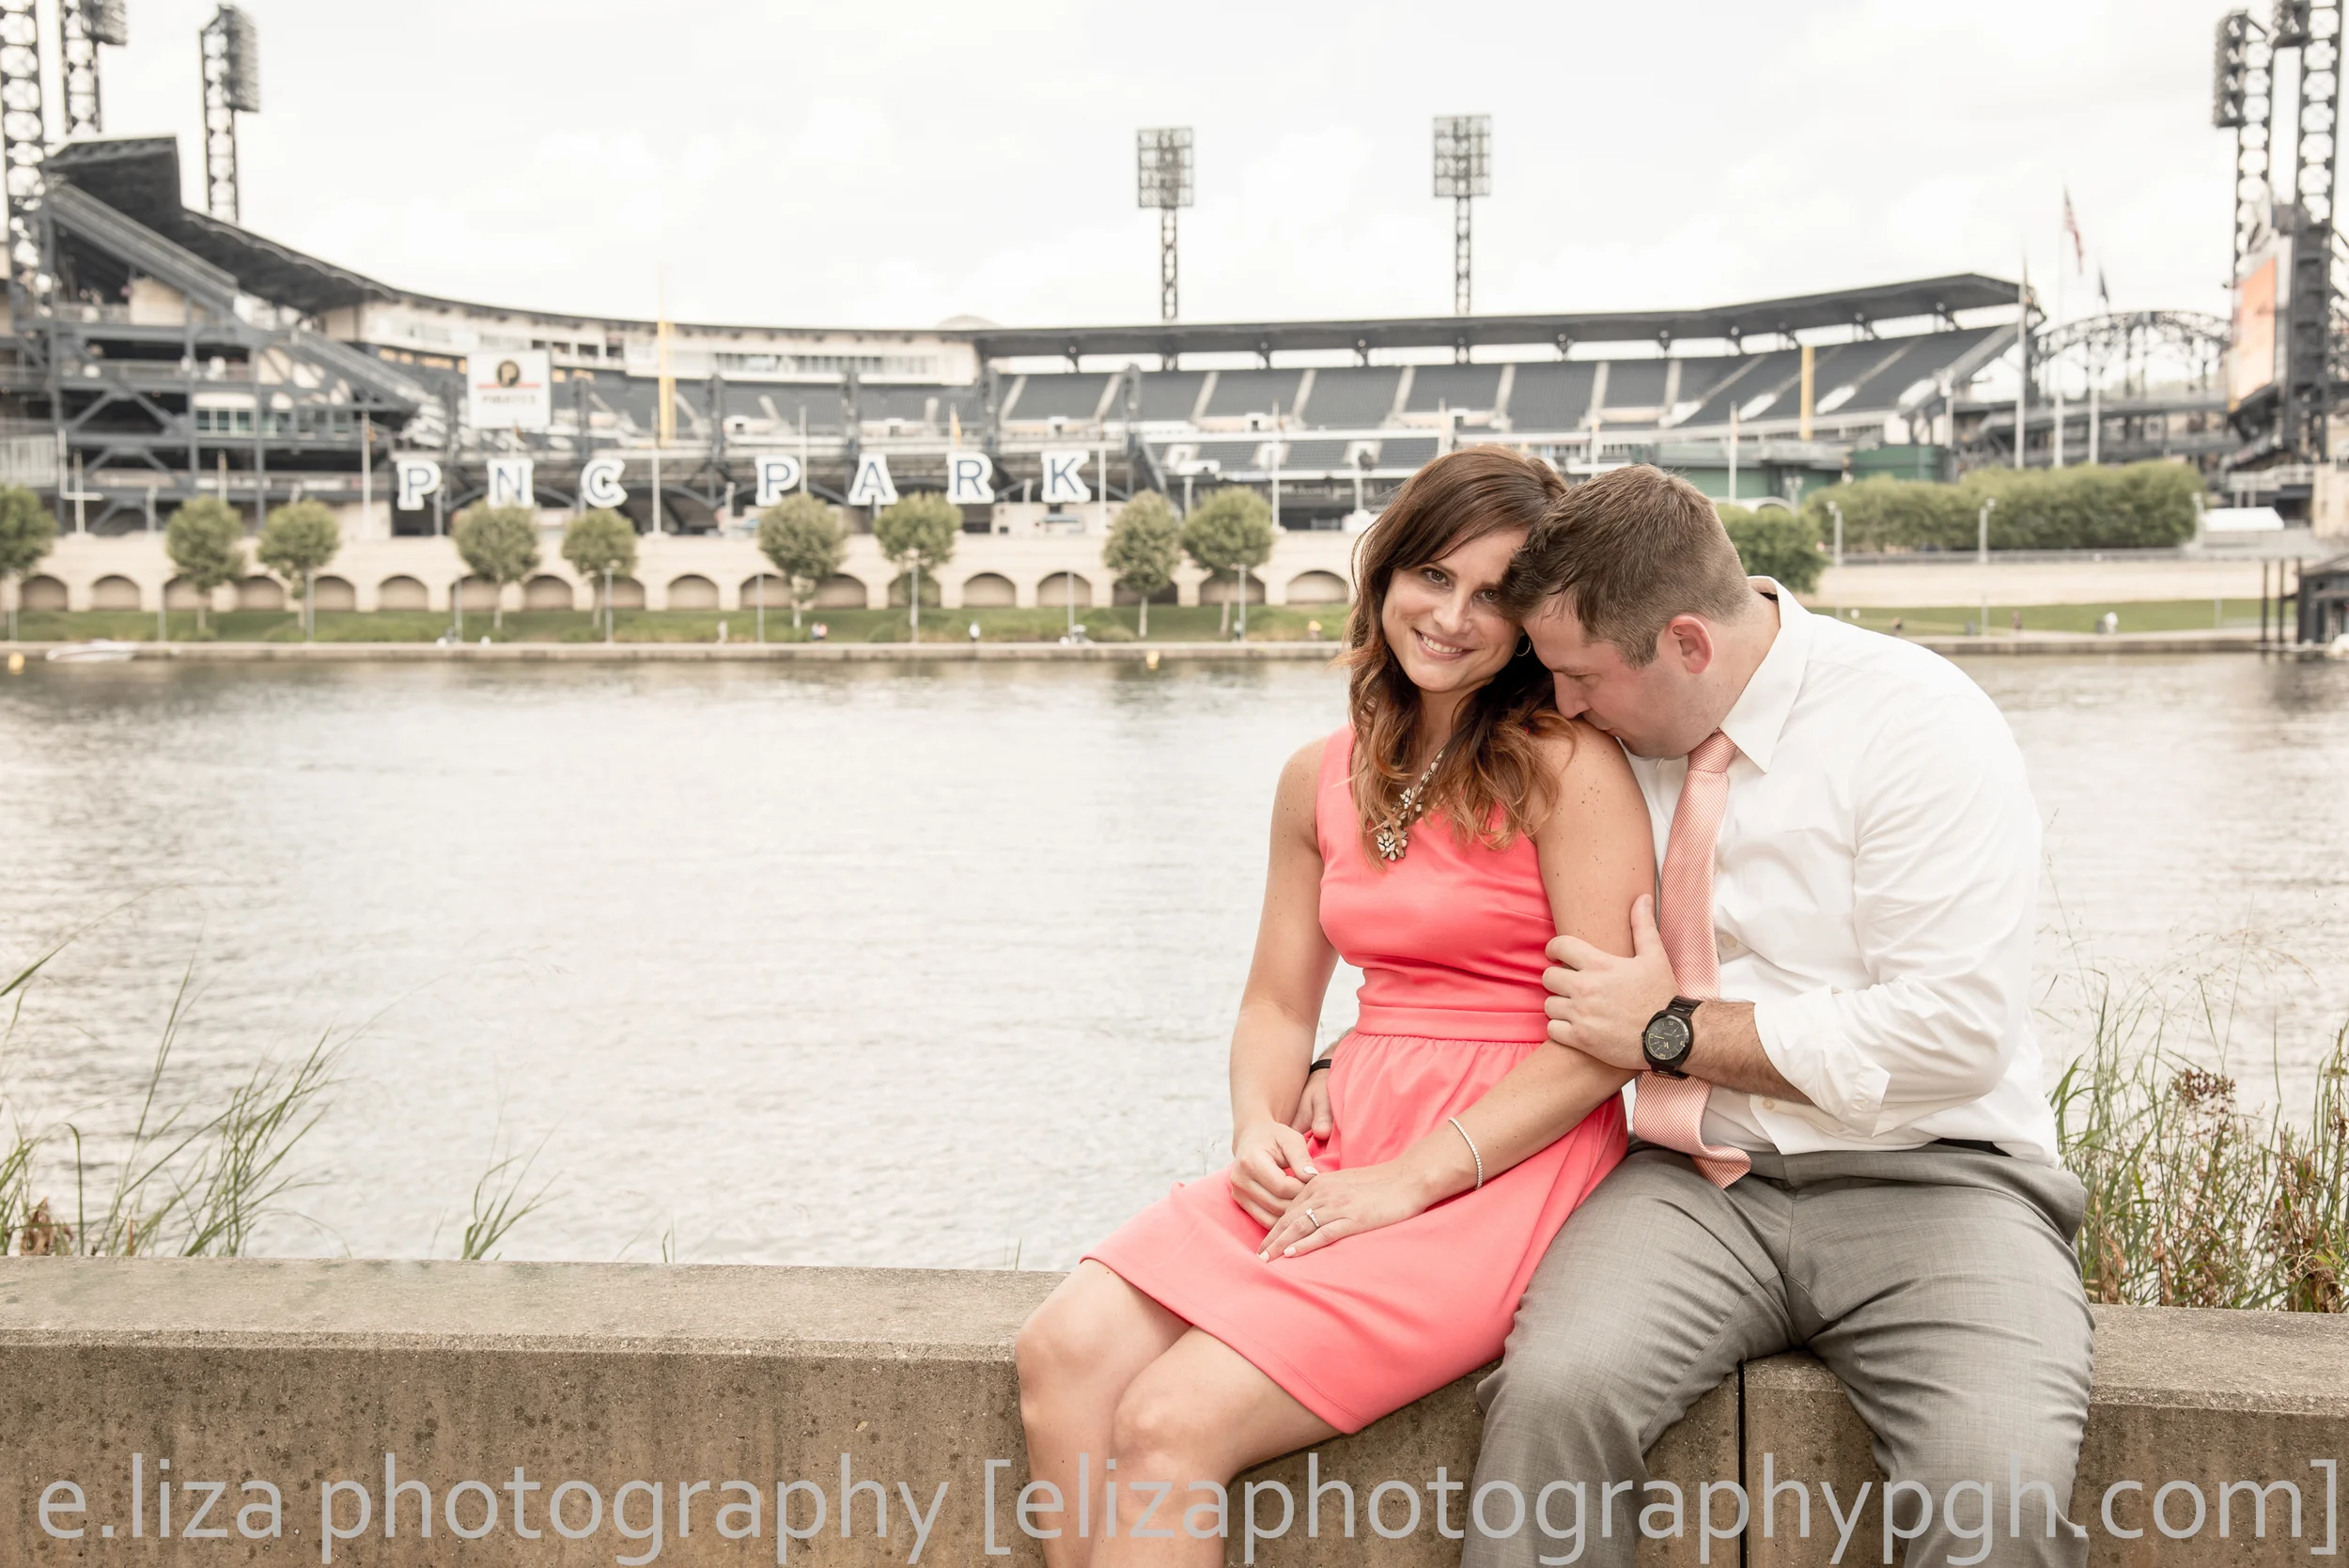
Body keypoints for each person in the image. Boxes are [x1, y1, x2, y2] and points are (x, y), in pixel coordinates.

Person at [1015, 448, 1656, 1568]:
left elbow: (1602, 1046)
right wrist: (1258, 1125)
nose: (1453, 617)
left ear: (1530, 621)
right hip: (1343, 1132)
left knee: (1171, 1423)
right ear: (1384, 574)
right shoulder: (1320, 772)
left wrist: (1413, 1178)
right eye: (1432, 577)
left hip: (1504, 1157)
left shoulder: (1569, 766)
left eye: (1494, 595)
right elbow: (1275, 998)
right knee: (1062, 1348)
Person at [1466, 464, 2089, 1568]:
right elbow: (1484, 931)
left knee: (1990, 1488)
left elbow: (1954, 1031)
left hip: (1938, 1180)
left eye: (1581, 677)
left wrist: (1672, 1034)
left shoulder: (1917, 722)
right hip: (1691, 1185)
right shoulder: (1612, 741)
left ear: (1689, 644)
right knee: (1549, 1403)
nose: (1560, 707)